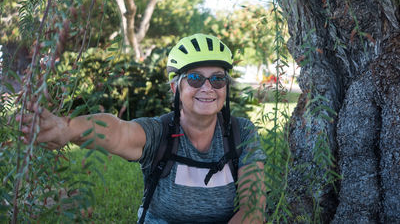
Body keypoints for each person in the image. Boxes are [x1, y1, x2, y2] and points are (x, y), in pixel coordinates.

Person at [18, 34, 266, 223]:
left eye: (218, 78)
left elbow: (253, 208)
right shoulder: (160, 132)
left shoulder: (241, 133)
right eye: (194, 78)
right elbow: (117, 131)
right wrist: (68, 128)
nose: (208, 87)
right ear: (174, 87)